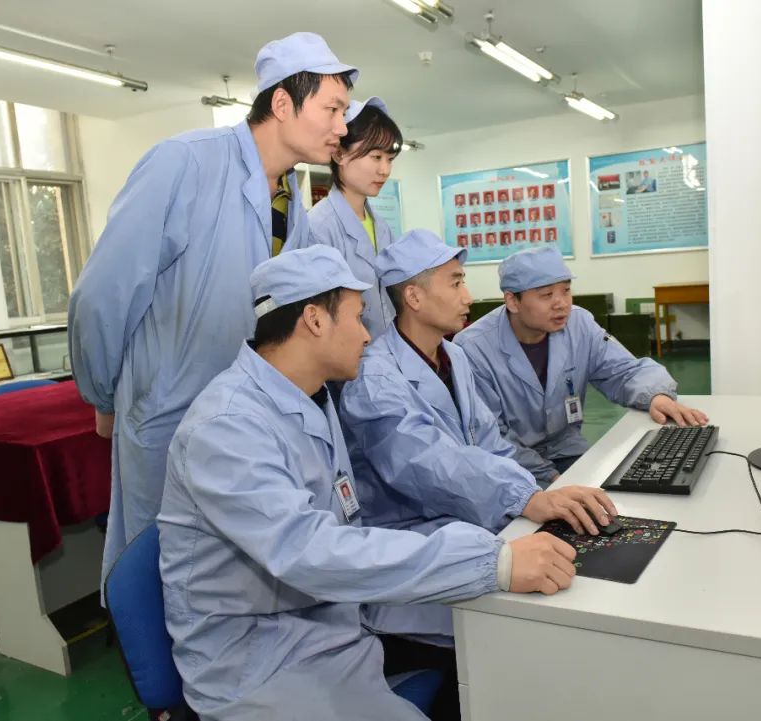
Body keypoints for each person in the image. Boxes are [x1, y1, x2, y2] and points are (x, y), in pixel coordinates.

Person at [158, 246, 578, 721]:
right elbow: (310, 552)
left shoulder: (311, 397)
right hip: (262, 659)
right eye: (358, 318)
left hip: (332, 623)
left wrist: (494, 545)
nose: (366, 334)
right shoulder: (227, 427)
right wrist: (492, 561)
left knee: (514, 635)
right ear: (315, 320)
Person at [68, 32, 358, 585]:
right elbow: (102, 294)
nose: (342, 127)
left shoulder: (289, 198)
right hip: (169, 415)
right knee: (162, 575)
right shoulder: (184, 164)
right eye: (333, 109)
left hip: (248, 417)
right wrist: (102, 395)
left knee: (229, 582)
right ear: (282, 103)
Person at [339, 230, 617, 644]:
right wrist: (525, 499)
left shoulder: (453, 356)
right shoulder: (375, 379)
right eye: (455, 283)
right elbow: (428, 464)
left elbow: (491, 443)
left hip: (470, 518)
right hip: (415, 545)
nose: (468, 297)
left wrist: (538, 492)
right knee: (542, 623)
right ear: (414, 297)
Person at [454, 247, 708, 487]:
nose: (561, 303)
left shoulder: (579, 324)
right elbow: (490, 436)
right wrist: (551, 478)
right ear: (512, 301)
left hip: (567, 450)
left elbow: (622, 369)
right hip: (510, 466)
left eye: (566, 290)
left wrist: (655, 396)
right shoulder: (473, 348)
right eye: (546, 295)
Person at [286, 96, 400, 337]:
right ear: (338, 154)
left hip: (387, 353)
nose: (385, 170)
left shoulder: (382, 227)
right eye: (376, 157)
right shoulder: (318, 228)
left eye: (390, 159)